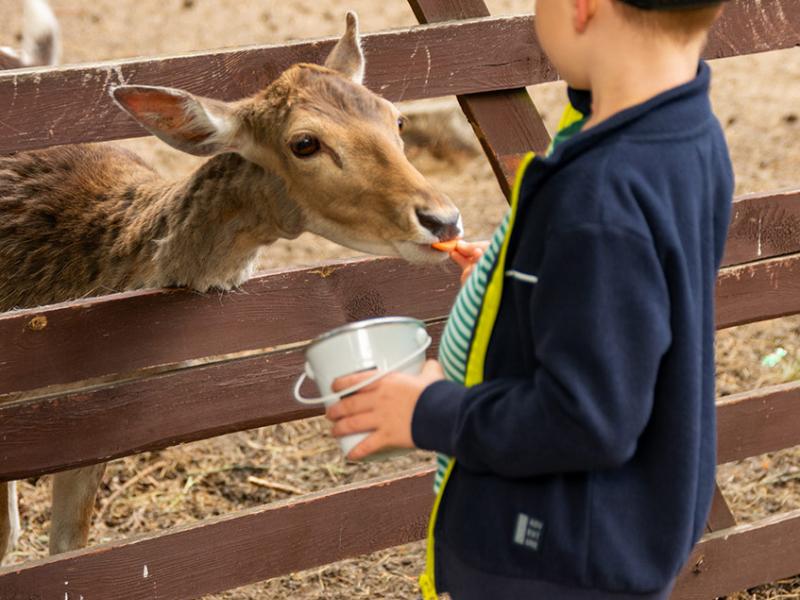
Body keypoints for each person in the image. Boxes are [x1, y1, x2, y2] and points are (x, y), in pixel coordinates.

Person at [326, 0, 734, 598]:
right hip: (602, 541)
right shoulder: (683, 137)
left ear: (584, 5)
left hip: (549, 563)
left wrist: (429, 412)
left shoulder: (600, 196)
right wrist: (518, 276)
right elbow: (625, 305)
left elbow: (588, 420)